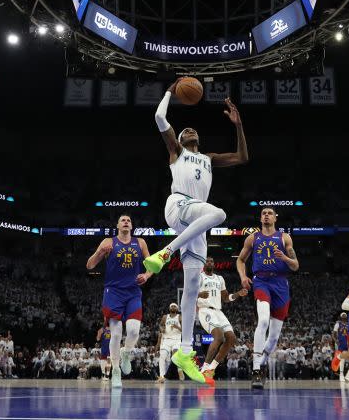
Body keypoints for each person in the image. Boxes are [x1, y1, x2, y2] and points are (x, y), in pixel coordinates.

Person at [143, 83, 248, 386]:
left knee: (190, 288)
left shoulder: (209, 157)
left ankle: (185, 352)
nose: (189, 129)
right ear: (178, 139)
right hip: (179, 206)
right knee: (220, 214)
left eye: (192, 129)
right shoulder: (175, 152)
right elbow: (160, 119)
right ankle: (165, 252)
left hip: (195, 225)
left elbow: (241, 156)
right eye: (184, 129)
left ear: (199, 138)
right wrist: (169, 91)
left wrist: (239, 125)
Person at [236, 207, 299, 390]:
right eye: (263, 213)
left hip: (280, 284)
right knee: (262, 321)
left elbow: (295, 266)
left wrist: (285, 258)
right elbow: (240, 260)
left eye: (270, 213)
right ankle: (256, 370)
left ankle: (261, 363)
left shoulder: (284, 237)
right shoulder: (253, 238)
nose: (266, 215)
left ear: (275, 218)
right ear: (260, 217)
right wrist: (243, 277)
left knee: (273, 338)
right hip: (261, 281)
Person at [86, 215, 152, 388]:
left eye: (129, 220)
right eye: (122, 220)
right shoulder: (108, 241)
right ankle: (115, 370)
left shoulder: (140, 243)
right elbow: (90, 266)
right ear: (117, 225)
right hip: (113, 292)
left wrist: (146, 275)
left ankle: (126, 353)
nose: (126, 221)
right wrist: (100, 252)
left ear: (131, 225)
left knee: (133, 332)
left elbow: (152, 264)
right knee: (115, 334)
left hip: (133, 292)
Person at [196, 256, 248, 378]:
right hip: (205, 310)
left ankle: (211, 368)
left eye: (211, 261)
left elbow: (225, 298)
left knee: (231, 338)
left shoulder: (220, 278)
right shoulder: (199, 277)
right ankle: (204, 368)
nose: (209, 262)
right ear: (204, 265)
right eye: (207, 261)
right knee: (218, 337)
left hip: (218, 311)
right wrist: (199, 294)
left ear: (214, 264)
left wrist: (238, 294)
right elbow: (189, 293)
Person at [156, 303, 184, 383]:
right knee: (162, 357)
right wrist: (162, 329)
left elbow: (184, 330)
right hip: (166, 340)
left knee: (175, 356)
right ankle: (162, 377)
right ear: (169, 308)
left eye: (174, 306)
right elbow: (160, 325)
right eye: (171, 306)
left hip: (176, 340)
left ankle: (180, 369)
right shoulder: (165, 317)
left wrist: (177, 327)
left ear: (177, 309)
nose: (173, 307)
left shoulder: (179, 317)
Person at [331, 312, 349, 381]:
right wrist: (336, 341)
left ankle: (347, 375)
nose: (344, 316)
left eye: (345, 315)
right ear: (341, 317)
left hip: (348, 343)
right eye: (343, 315)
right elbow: (333, 334)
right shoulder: (338, 324)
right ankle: (341, 375)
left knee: (348, 359)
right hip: (341, 342)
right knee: (342, 359)